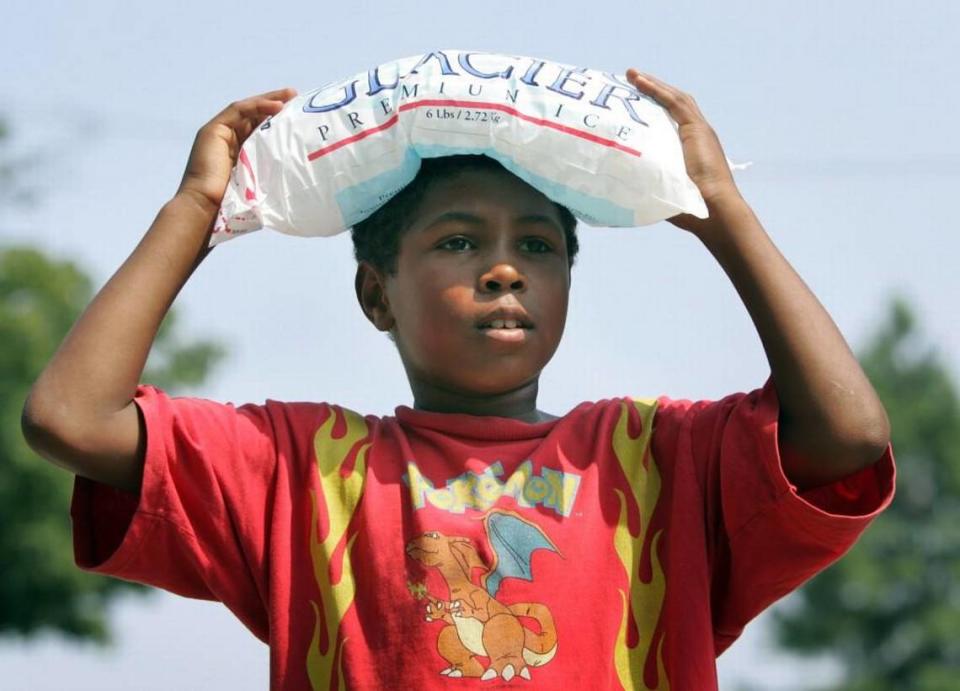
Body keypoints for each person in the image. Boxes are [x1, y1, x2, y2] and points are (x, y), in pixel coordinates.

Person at [21, 70, 895, 690]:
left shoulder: (655, 456)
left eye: (539, 247)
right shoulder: (303, 466)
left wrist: (723, 214)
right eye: (459, 241)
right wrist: (194, 214)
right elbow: (71, 415)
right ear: (376, 294)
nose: (505, 270)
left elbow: (848, 436)